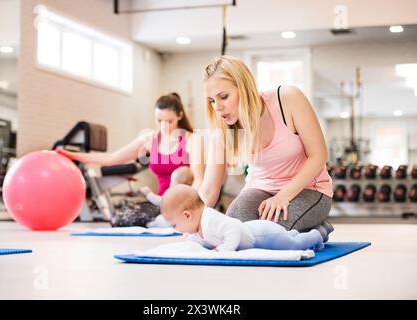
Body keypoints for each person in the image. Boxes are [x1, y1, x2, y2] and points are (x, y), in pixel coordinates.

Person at [198, 55, 334, 239]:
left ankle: (317, 229)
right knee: (233, 227)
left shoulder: (288, 99)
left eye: (224, 96)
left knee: (267, 232)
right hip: (260, 188)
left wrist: (283, 196)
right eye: (211, 101)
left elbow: (318, 156)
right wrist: (197, 222)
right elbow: (209, 189)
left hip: (309, 189)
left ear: (244, 88)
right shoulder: (222, 127)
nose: (218, 107)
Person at [57, 93, 204, 226]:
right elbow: (111, 159)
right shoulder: (149, 139)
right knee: (119, 219)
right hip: (160, 202)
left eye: (169, 121)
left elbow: (198, 179)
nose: (163, 127)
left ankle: (169, 222)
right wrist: (71, 155)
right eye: (159, 121)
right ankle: (161, 223)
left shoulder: (192, 140)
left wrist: (188, 209)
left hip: (185, 205)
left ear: (180, 116)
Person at [160, 184, 325, 252]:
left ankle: (316, 235)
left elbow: (234, 228)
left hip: (262, 234)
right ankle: (317, 231)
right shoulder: (196, 229)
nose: (176, 229)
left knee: (292, 245)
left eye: (175, 224)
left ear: (187, 215)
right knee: (290, 236)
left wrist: (224, 249)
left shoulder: (210, 219)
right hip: (256, 236)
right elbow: (196, 244)